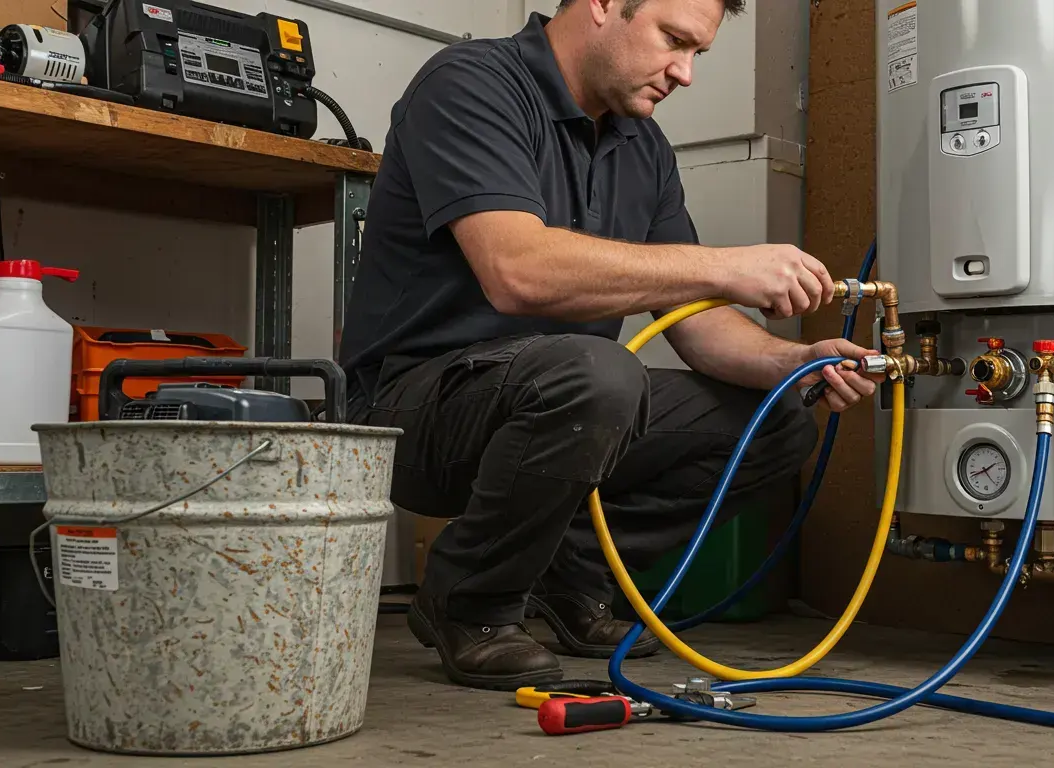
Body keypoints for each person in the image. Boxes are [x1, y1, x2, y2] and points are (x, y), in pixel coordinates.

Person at [337, 0, 884, 691]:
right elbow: (517, 271)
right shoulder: (471, 84)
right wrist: (724, 265)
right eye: (673, 41)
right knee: (599, 373)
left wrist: (790, 364)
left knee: (775, 422)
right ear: (600, 4)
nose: (684, 73)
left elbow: (694, 320)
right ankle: (467, 600)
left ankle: (565, 572)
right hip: (411, 413)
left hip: (567, 400)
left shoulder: (641, 146)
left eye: (699, 54)